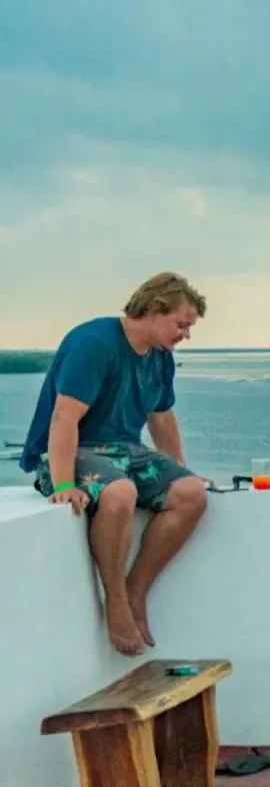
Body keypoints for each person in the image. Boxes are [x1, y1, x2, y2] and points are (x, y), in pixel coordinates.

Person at [18, 273, 211, 656]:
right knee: (120, 492)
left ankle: (136, 589)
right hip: (72, 449)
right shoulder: (95, 343)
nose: (185, 335)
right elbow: (64, 419)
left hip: (125, 449)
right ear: (155, 311)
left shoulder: (161, 357)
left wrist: (180, 467)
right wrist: (61, 486)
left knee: (191, 494)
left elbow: (161, 416)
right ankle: (116, 602)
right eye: (181, 324)